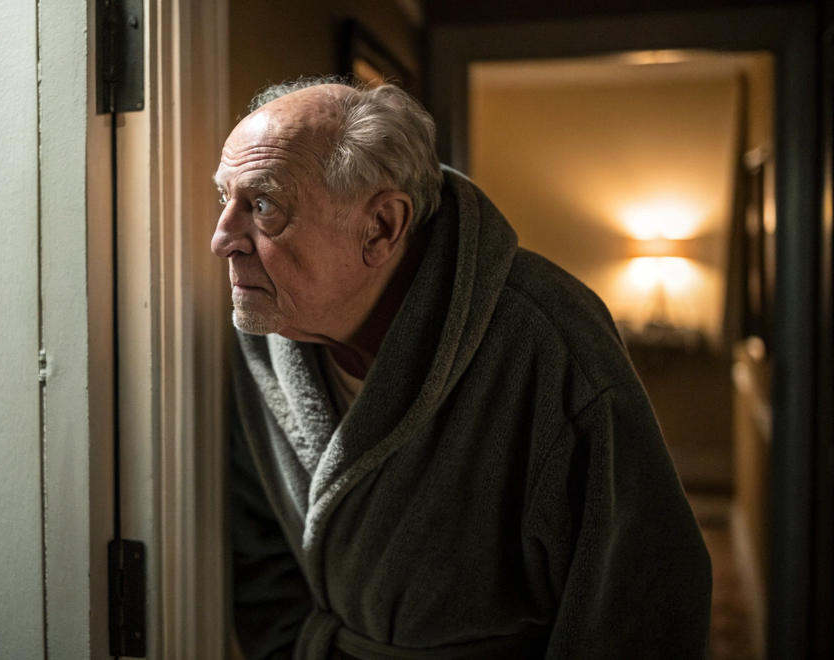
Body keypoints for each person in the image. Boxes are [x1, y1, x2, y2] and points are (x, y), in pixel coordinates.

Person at [211, 77, 712, 660]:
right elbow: (258, 547)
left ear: (381, 227)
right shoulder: (266, 331)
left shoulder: (551, 340)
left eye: (263, 205)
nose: (222, 238)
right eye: (225, 199)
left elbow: (642, 605)